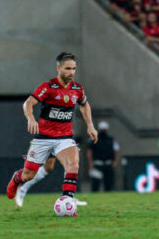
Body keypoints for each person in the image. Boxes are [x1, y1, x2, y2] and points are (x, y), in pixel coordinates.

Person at [6, 52, 98, 215]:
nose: (71, 72)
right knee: (29, 174)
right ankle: (17, 178)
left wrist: (90, 126)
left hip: (64, 138)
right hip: (44, 138)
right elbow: (28, 103)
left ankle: (68, 201)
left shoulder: (77, 88)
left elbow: (84, 105)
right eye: (68, 68)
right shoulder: (48, 87)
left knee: (73, 165)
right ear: (58, 68)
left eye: (74, 69)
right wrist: (31, 119)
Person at [86, 121, 120, 192]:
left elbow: (116, 150)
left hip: (108, 164)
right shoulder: (94, 139)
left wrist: (115, 161)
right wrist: (90, 162)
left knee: (108, 184)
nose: (103, 131)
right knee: (95, 184)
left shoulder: (111, 140)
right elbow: (89, 151)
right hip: (97, 164)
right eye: (102, 129)